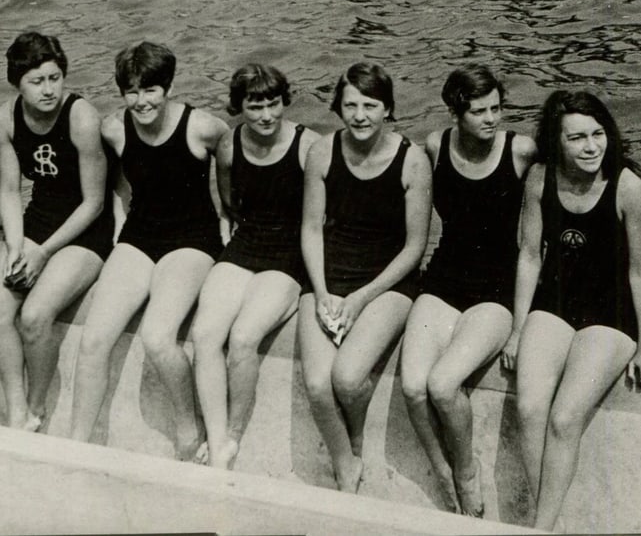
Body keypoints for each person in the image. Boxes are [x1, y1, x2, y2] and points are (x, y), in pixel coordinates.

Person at [70, 41, 228, 460]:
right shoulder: (114, 129)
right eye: (132, 92)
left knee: (159, 339)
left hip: (192, 241)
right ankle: (77, 445)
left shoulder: (204, 128)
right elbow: (118, 181)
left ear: (169, 86)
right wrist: (122, 221)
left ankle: (188, 430)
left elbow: (234, 179)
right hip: (140, 237)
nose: (141, 102)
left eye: (151, 90)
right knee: (93, 340)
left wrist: (230, 223)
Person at [503, 90, 641, 531]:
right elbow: (530, 256)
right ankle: (550, 524)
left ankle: (542, 528)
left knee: (565, 417)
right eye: (577, 138)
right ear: (556, 141)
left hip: (611, 313)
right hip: (555, 303)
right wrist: (516, 329)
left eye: (598, 134)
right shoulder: (539, 179)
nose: (591, 147)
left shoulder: (628, 188)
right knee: (529, 409)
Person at [399, 65, 536, 516]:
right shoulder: (436, 146)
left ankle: (465, 471)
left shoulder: (520, 152)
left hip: (495, 290)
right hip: (443, 281)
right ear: (456, 111)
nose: (491, 118)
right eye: (479, 111)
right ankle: (441, 468)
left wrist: (521, 326)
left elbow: (544, 228)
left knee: (441, 385)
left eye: (497, 108)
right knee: (414, 387)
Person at [299, 62, 431, 493]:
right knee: (318, 384)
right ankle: (344, 460)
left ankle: (355, 437)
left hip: (387, 282)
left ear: (388, 109)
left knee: (348, 378)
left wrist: (360, 298)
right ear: (338, 108)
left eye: (370, 105)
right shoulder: (322, 151)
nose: (359, 115)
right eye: (350, 105)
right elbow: (312, 228)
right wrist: (321, 293)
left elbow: (414, 248)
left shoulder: (412, 160)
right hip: (329, 275)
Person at [0, 32, 112, 431]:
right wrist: (18, 246)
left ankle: (36, 410)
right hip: (38, 218)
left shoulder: (81, 117)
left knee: (36, 314)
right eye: (37, 82)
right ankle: (16, 407)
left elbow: (94, 203)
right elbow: (8, 189)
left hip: (85, 229)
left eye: (55, 78)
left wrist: (43, 253)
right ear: (17, 84)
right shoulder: (5, 119)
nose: (49, 90)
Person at [191, 63, 317, 469]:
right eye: (255, 105)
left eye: (273, 104)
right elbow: (230, 201)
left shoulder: (308, 146)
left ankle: (232, 437)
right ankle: (214, 434)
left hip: (290, 254)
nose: (265, 116)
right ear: (239, 106)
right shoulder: (229, 146)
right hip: (246, 246)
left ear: (285, 102)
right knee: (206, 333)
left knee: (244, 337)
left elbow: (323, 217)